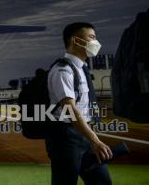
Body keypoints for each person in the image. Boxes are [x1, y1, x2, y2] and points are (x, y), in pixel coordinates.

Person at [46, 22, 112, 185]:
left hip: (84, 134)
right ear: (76, 41)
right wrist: (95, 140)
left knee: (101, 181)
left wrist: (90, 137)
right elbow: (70, 109)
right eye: (91, 37)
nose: (95, 42)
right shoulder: (63, 71)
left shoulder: (81, 69)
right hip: (65, 138)